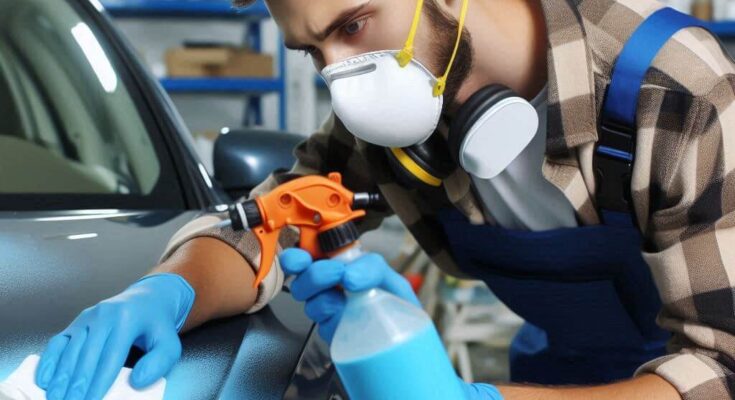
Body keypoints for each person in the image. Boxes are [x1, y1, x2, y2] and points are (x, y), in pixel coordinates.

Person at [36, 0, 735, 399]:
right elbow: (272, 222)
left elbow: (720, 372)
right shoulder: (391, 121)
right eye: (312, 51)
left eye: (352, 25)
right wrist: (168, 290)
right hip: (555, 371)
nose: (341, 80)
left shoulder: (674, 92)